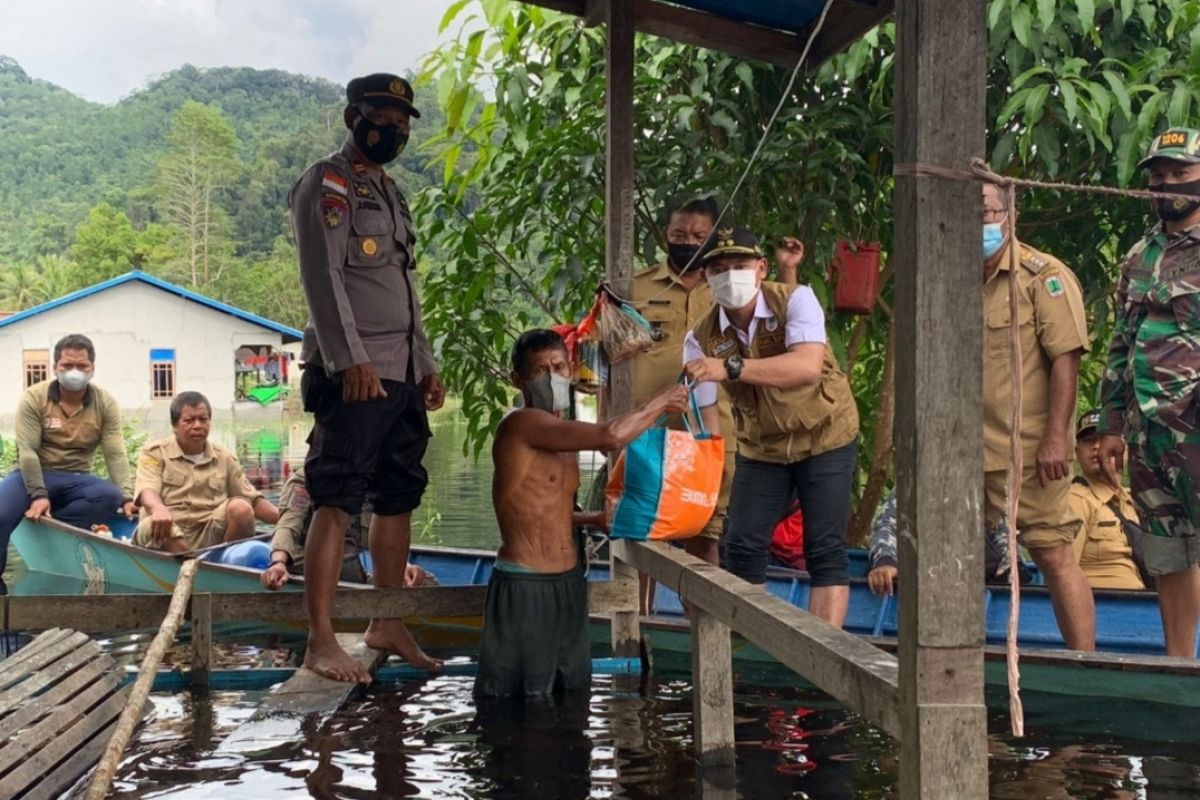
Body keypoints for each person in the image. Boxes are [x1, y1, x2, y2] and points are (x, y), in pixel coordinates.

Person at [292, 72, 446, 682]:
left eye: (404, 122)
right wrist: (346, 358)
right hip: (355, 371)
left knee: (398, 495)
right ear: (354, 116)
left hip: (401, 371)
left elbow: (404, 289)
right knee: (336, 497)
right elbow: (322, 275)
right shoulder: (327, 183)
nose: (395, 130)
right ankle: (321, 639)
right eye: (383, 117)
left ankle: (387, 621)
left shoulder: (392, 194)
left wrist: (426, 364)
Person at [475, 329, 688, 697]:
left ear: (571, 370)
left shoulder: (563, 434)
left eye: (558, 366)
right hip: (528, 585)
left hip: (568, 583)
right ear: (518, 379)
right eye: (539, 371)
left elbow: (545, 509)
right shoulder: (521, 424)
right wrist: (661, 401)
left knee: (571, 695)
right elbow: (610, 436)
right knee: (519, 703)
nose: (552, 376)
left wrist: (592, 519)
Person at [683, 227, 859, 627]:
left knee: (824, 547)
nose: (730, 276)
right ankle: (753, 639)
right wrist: (710, 478)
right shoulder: (701, 337)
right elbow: (708, 422)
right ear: (707, 278)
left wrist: (729, 367)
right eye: (719, 269)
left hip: (825, 434)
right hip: (762, 447)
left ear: (761, 268)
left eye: (740, 266)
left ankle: (822, 650)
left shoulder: (797, 300)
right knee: (741, 544)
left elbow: (806, 366)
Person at [632, 195, 805, 571]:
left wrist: (788, 271)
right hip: (652, 438)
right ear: (665, 236)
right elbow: (605, 361)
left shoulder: (734, 284)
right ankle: (640, 624)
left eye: (698, 236)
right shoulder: (635, 288)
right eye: (679, 234)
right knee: (641, 535)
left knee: (706, 539)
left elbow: (782, 325)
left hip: (720, 438)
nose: (688, 243)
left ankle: (700, 628)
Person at [1097, 127, 1200, 657]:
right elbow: (1121, 342)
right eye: (1159, 176)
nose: (1167, 185)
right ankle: (1181, 665)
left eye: (1180, 174)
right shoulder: (1139, 255)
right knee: (1167, 551)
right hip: (1149, 433)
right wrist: (1111, 425)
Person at [981, 181, 1092, 649]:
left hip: (1024, 449)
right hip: (964, 450)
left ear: (1009, 214)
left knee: (1051, 551)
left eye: (986, 211)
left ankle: (1087, 664)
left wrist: (1055, 439)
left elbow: (1066, 359)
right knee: (953, 554)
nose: (977, 222)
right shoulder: (946, 276)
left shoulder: (1041, 276)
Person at [0, 334, 135, 586]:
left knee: (109, 496)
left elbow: (115, 452)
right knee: (0, 515)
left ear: (92, 368)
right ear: (55, 368)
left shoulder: (105, 403)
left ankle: (50, 525)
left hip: (76, 478)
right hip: (31, 474)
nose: (75, 372)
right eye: (67, 366)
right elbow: (27, 451)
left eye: (82, 366)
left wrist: (127, 496)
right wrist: (38, 494)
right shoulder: (34, 398)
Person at [133, 392, 279, 553]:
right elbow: (148, 490)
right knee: (152, 523)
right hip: (167, 531)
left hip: (209, 535)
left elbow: (253, 501)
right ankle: (191, 564)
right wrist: (157, 508)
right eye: (189, 420)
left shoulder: (225, 458)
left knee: (241, 508)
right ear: (175, 425)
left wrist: (290, 521)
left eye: (203, 420)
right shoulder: (154, 453)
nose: (197, 426)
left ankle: (222, 567)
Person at [259, 466, 431, 590]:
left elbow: (381, 532)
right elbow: (287, 526)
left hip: (352, 566)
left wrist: (402, 566)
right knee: (346, 561)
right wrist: (278, 563)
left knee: (428, 583)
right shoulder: (307, 480)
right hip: (307, 566)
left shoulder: (372, 481)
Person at [1069, 410, 1147, 591]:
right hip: (1105, 609)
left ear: (1124, 449)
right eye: (1088, 440)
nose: (1097, 446)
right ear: (1077, 452)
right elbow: (1062, 572)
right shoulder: (1076, 500)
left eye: (1104, 438)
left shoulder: (1137, 501)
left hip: (1147, 605)